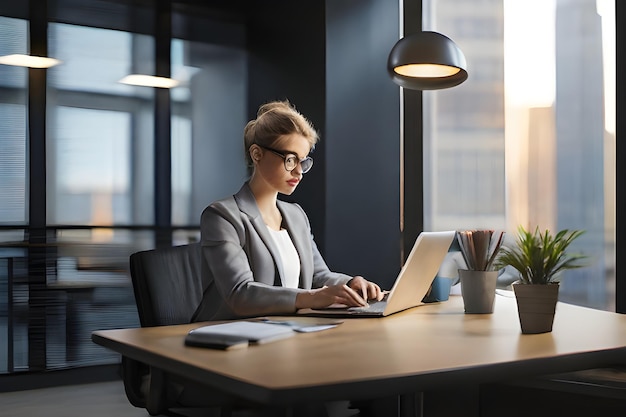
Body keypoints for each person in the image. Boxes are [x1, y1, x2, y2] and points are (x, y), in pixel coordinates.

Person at [192, 100, 383, 321]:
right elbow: (240, 294)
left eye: (303, 161)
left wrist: (349, 284)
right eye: (290, 160)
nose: (299, 172)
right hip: (227, 339)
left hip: (283, 330)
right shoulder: (222, 216)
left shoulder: (295, 215)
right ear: (257, 154)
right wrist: (311, 298)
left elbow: (317, 276)